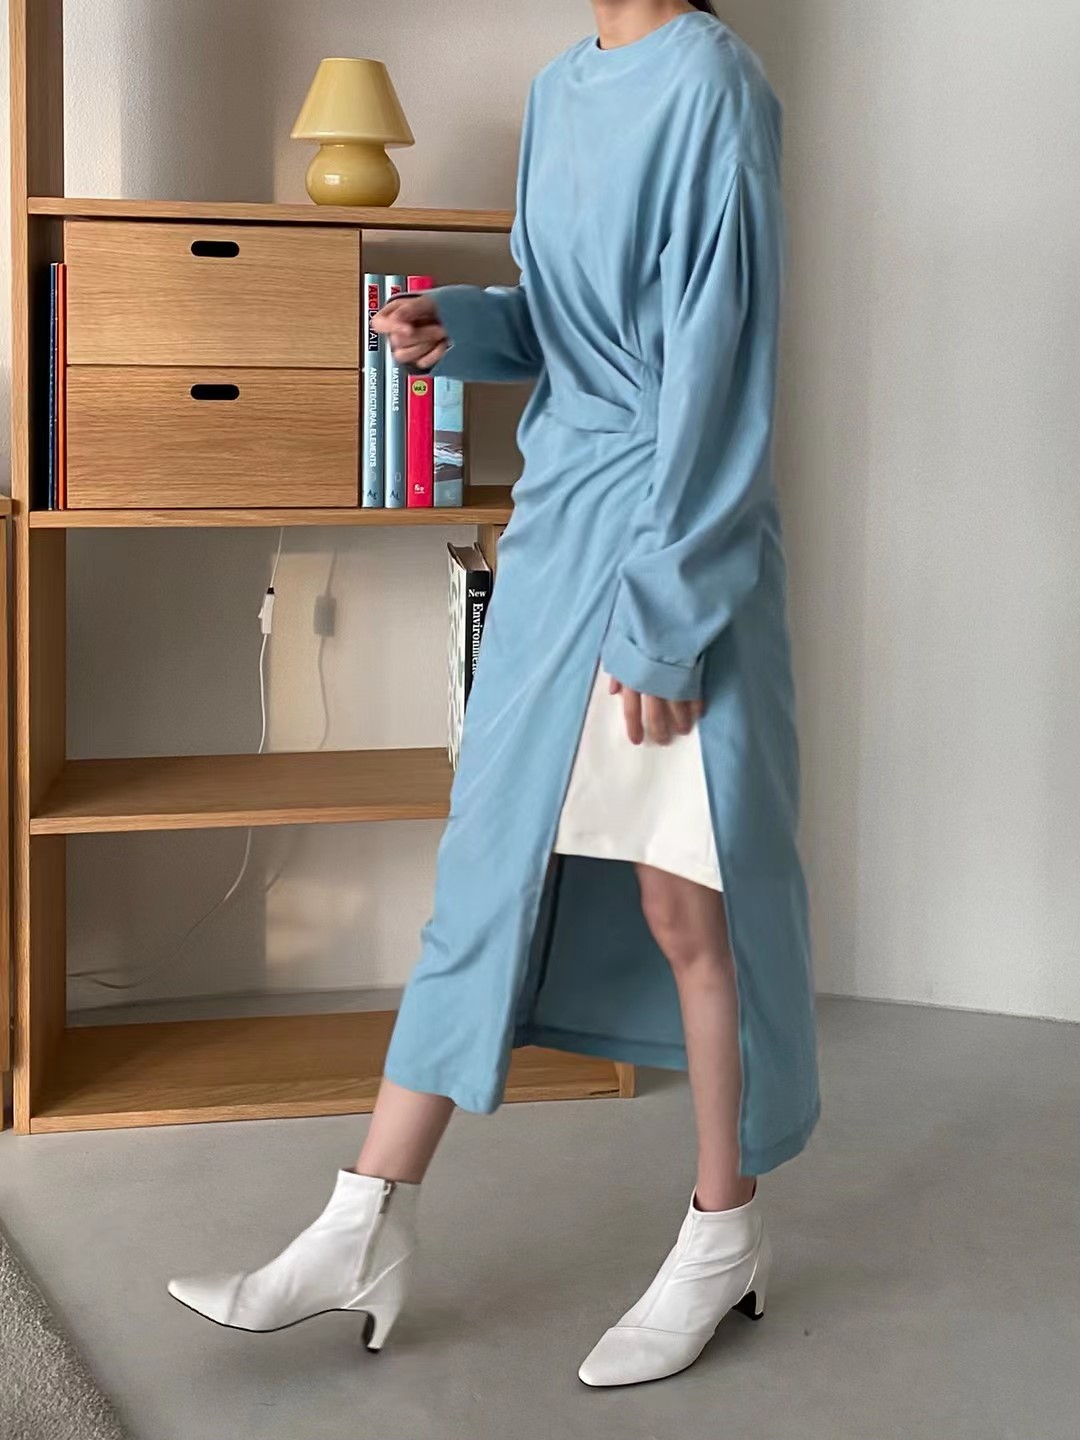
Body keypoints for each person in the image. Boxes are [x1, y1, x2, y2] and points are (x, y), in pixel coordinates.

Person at [168, 0, 818, 1388]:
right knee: (479, 879)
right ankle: (363, 1220)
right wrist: (456, 327)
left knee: (685, 900)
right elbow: (560, 326)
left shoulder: (716, 89)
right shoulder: (558, 88)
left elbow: (720, 379)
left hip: (665, 549)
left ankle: (725, 1229)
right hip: (555, 534)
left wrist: (666, 623)